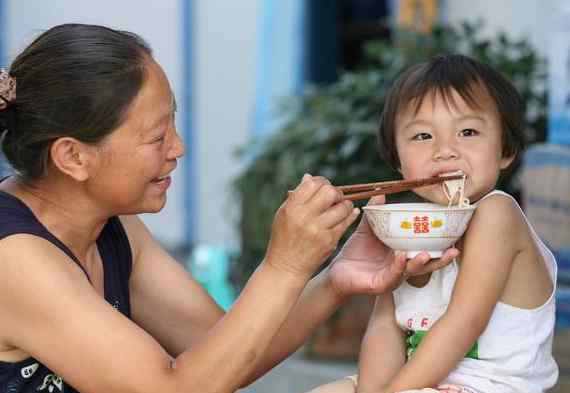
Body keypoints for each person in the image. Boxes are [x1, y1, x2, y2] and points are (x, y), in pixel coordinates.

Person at [0, 24, 459, 393]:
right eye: (157, 137)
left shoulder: (113, 227)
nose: (178, 147)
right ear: (73, 158)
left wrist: (334, 280)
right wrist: (283, 265)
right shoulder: (15, 259)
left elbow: (221, 352)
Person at [308, 54, 559, 393]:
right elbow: (385, 329)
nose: (445, 151)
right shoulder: (409, 227)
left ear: (505, 149)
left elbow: (464, 322)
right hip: (416, 383)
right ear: (398, 160)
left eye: (467, 131)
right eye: (423, 136)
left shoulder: (497, 214)